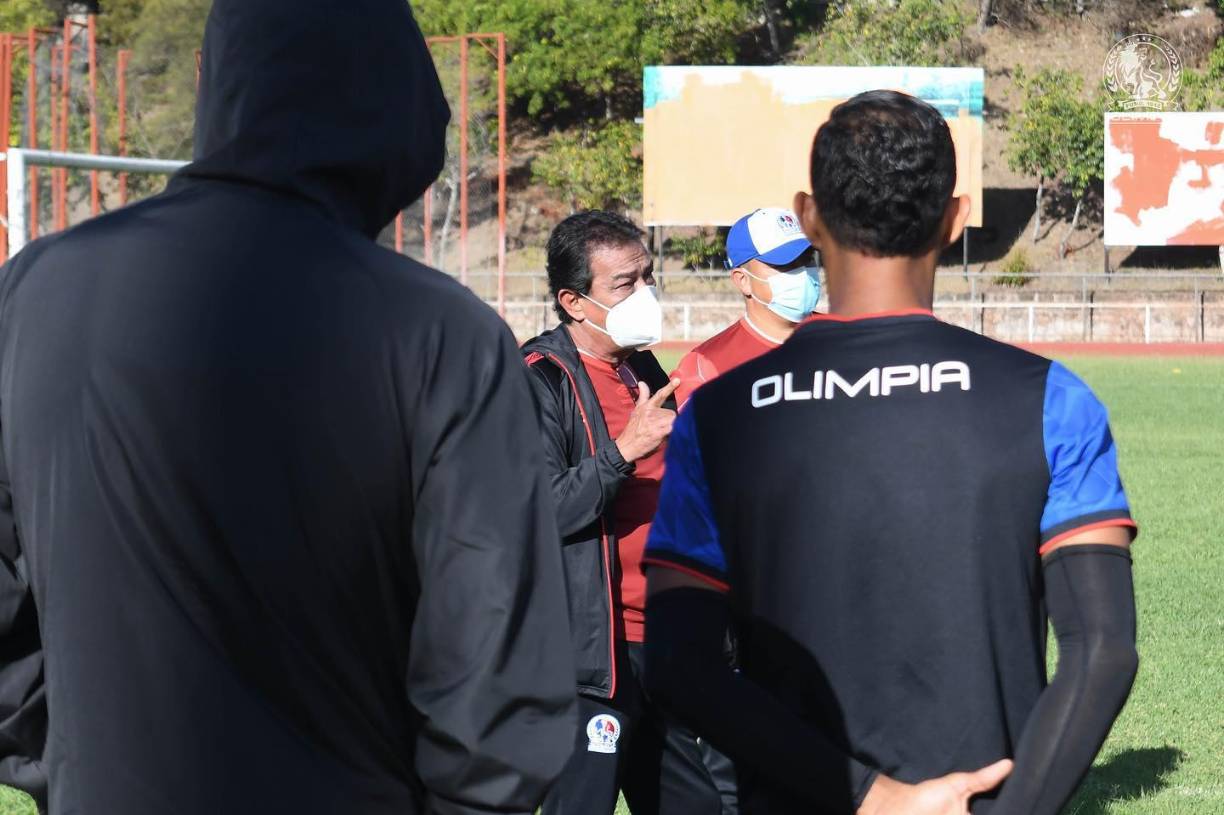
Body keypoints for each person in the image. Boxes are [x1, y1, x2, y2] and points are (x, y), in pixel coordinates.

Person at [0, 2, 577, 813]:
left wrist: (67, 761)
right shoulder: (438, 331)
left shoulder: (34, 290)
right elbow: (496, 672)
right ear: (396, 103)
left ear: (222, 86)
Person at [643, 90, 1139, 815]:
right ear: (955, 218)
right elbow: (1102, 649)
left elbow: (679, 664)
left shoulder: (715, 417)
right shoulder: (1051, 400)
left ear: (810, 217)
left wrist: (874, 798)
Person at [521, 211, 727, 815]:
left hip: (660, 638)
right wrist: (621, 453)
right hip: (590, 659)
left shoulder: (641, 365)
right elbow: (537, 512)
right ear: (573, 302)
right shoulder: (539, 379)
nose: (645, 293)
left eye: (647, 277)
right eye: (624, 284)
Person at [673, 208, 821, 407]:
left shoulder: (848, 337)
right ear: (743, 280)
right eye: (784, 264)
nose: (802, 272)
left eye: (807, 259)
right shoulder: (705, 366)